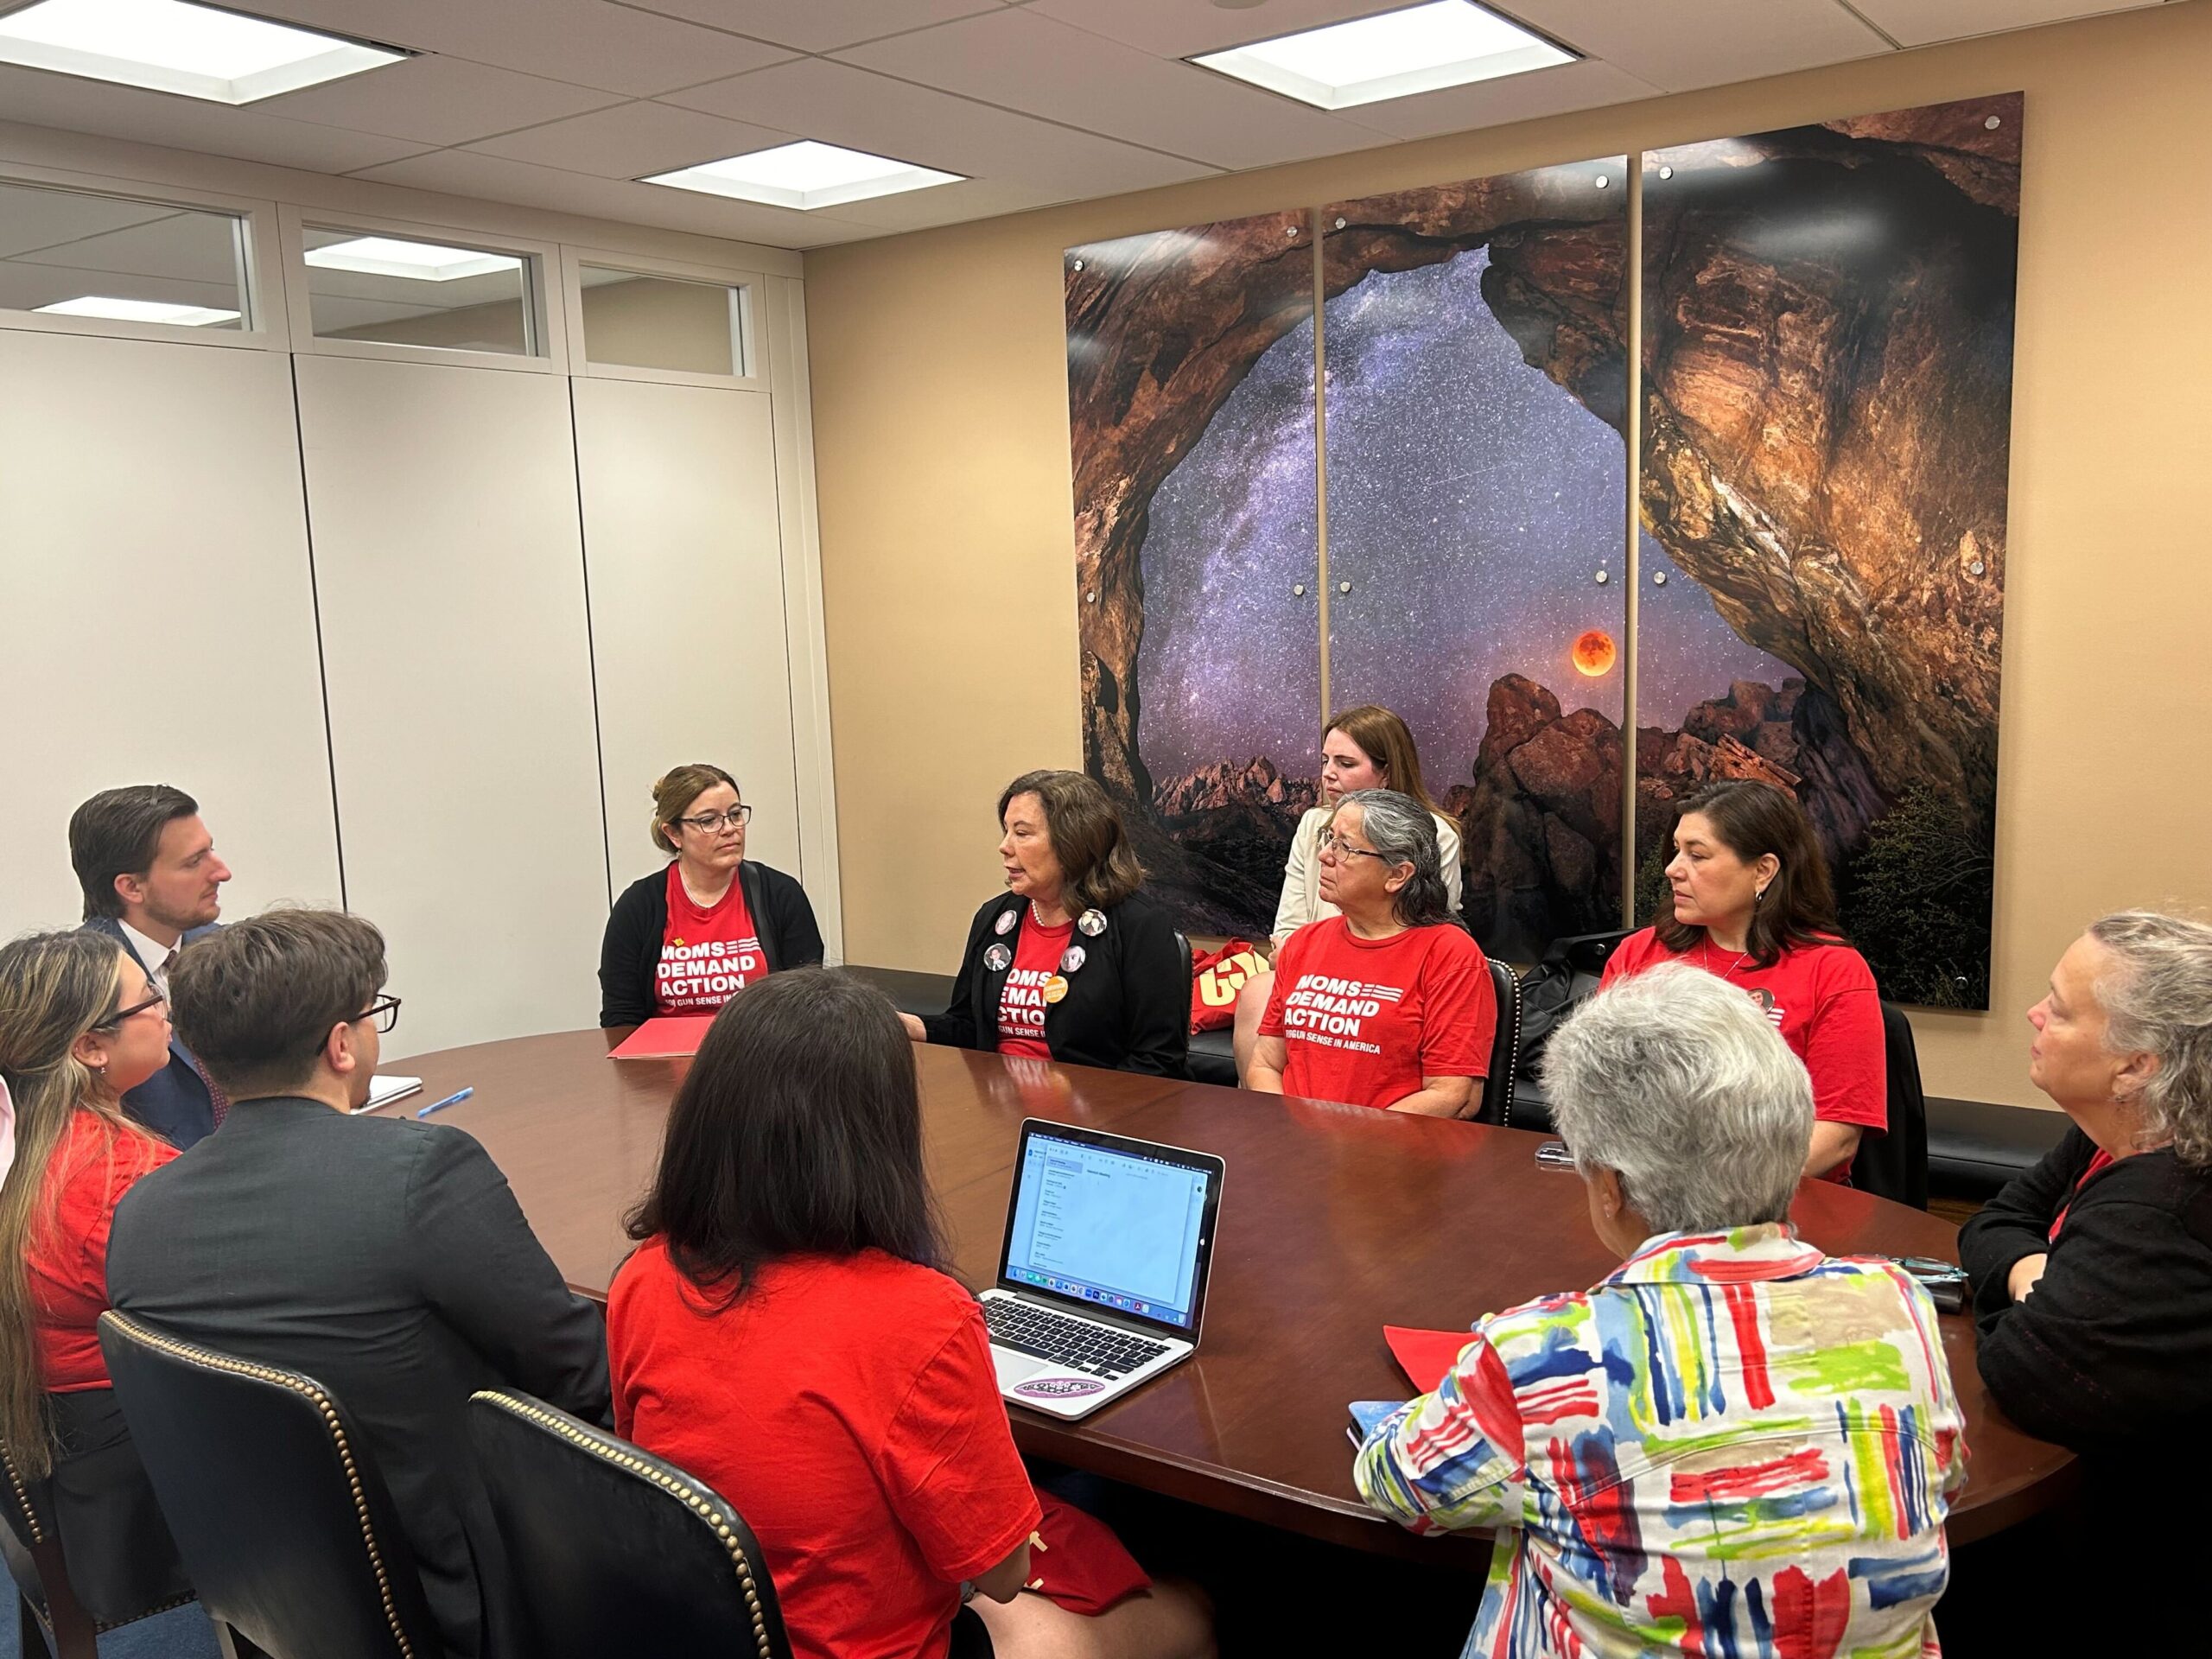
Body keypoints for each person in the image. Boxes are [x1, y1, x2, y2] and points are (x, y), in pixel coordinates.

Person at [1357, 963, 1967, 1657]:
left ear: (1612, 1185)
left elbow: (1397, 1486)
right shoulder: (1901, 1312)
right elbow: (1939, 1477)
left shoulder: (1546, 1358)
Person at [609, 969, 1213, 1659]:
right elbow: (1004, 1574)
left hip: (713, 1634)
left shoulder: (646, 1277)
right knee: (1189, 1613)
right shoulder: (921, 1317)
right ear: (878, 1129)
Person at [107, 909, 609, 1659]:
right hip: (457, 1583)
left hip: (269, 1580)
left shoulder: (141, 1213)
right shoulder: (423, 1172)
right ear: (342, 1044)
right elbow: (576, 1369)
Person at [1955, 911, 2212, 1638]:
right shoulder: (2114, 1133)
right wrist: (2040, 1275)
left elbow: (2028, 1374)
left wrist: (2027, 1291)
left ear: (2137, 1066)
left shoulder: (2163, 1204)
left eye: (2061, 1010)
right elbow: (1994, 1223)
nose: (2034, 1015)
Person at [0, 931, 206, 1636]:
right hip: (144, 1485)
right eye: (150, 997)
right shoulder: (125, 1181)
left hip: (61, 1459)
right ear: (91, 1046)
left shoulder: (20, 1142)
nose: (165, 1008)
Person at [1601, 779, 1884, 1180]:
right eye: (1676, 851)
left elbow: (1835, 1136)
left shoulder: (1833, 969)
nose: (1672, 869)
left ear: (1763, 870)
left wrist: (1718, 1193)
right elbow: (1600, 1094)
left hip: (1778, 1202)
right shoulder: (1639, 953)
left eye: (1697, 855)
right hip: (1648, 1191)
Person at [900, 771, 1185, 1076]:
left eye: (1022, 834)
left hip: (1093, 1110)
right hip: (997, 1102)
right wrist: (909, 1027)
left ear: (1073, 842)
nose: (1004, 846)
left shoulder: (1139, 925)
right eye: (1006, 831)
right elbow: (968, 1026)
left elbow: (1158, 1060)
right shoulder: (994, 917)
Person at [1234, 707, 1464, 1076]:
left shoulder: (1436, 836)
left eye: (1345, 763)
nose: (1328, 773)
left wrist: (1327, 968)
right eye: (1325, 760)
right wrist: (1305, 962)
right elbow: (1286, 939)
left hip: (1389, 984)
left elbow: (1427, 940)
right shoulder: (1312, 824)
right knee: (1258, 990)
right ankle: (1266, 1121)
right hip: (1312, 977)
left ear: (1386, 773)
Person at [1246, 791, 1496, 1116]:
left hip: (1386, 1154)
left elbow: (1451, 1096)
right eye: (1328, 838)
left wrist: (1347, 1143)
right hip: (1293, 1146)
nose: (1323, 855)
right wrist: (1292, 1133)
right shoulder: (1303, 943)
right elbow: (1265, 1064)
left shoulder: (1451, 955)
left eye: (1344, 846)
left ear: (1396, 876)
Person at [599, 764, 823, 1027]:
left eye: (735, 815)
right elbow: (621, 1018)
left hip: (760, 1058)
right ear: (673, 834)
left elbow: (807, 1004)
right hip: (663, 1060)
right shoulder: (638, 906)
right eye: (709, 820)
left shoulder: (781, 894)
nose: (729, 829)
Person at [68, 784, 232, 1146]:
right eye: (194, 862)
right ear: (131, 887)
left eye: (212, 851)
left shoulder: (231, 950)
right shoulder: (79, 989)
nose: (222, 872)